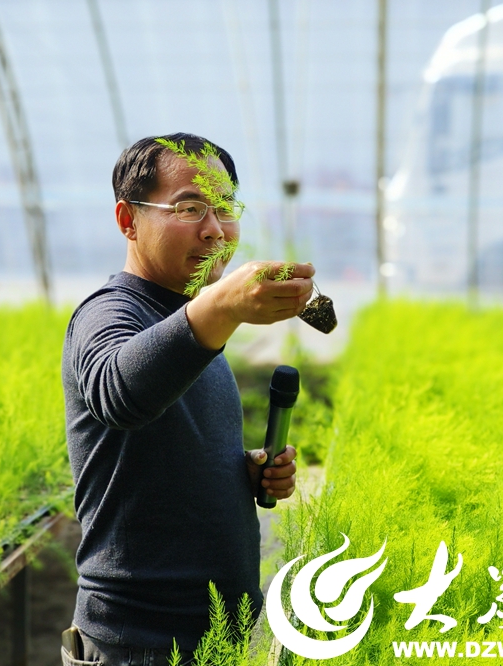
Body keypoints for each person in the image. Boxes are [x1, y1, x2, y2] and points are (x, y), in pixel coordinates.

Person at [61, 133, 315, 666]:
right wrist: (221, 305)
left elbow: (159, 442)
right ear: (128, 220)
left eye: (224, 208)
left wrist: (236, 473)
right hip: (139, 643)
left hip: (212, 635)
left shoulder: (189, 320)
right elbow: (120, 395)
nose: (215, 229)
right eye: (190, 208)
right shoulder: (108, 313)